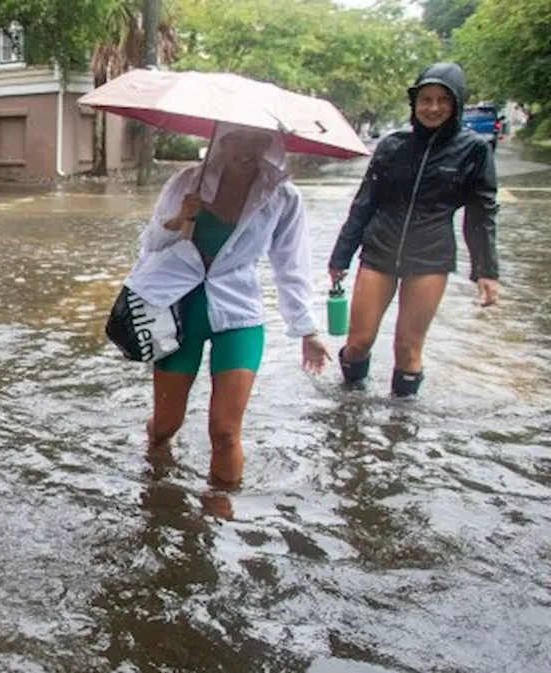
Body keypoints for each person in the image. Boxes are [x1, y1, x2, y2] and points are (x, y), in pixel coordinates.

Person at [129, 123, 330, 488]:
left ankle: (221, 516)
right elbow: (151, 247)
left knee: (225, 432)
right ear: (223, 140)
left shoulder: (282, 196)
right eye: (237, 138)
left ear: (269, 144)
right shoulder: (187, 182)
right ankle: (156, 479)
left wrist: (307, 329)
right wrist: (179, 220)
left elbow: (291, 263)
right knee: (165, 427)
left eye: (257, 140)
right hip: (180, 310)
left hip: (239, 312)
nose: (245, 149)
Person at [328, 62, 499, 397]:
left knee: (408, 349)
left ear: (456, 105)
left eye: (442, 100)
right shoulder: (392, 146)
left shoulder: (474, 150)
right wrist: (341, 256)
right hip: (380, 250)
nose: (433, 108)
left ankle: (400, 427)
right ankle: (347, 408)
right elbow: (364, 203)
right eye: (425, 99)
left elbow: (482, 214)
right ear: (414, 103)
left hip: (430, 256)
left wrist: (486, 270)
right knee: (359, 341)